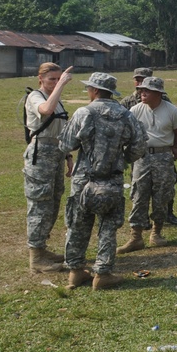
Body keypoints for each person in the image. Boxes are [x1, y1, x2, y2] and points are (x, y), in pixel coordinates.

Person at [60, 73, 146, 289]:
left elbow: (66, 144)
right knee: (108, 226)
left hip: (83, 181)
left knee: (77, 225)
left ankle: (75, 271)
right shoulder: (126, 116)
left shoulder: (83, 112)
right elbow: (139, 145)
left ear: (95, 90)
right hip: (112, 180)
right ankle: (103, 274)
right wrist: (122, 158)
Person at [118, 77, 177, 253]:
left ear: (158, 93)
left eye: (146, 90)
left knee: (162, 195)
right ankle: (136, 237)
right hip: (141, 157)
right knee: (138, 195)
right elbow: (128, 133)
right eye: (141, 90)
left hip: (163, 157)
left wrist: (173, 147)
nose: (142, 93)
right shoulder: (135, 110)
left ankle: (156, 233)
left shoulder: (172, 110)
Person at [23, 63, 74, 272]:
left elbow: (62, 128)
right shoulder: (36, 96)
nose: (54, 82)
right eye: (51, 79)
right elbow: (46, 110)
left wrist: (68, 157)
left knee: (53, 202)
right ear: (40, 78)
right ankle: (35, 257)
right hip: (41, 154)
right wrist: (61, 84)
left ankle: (42, 249)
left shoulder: (56, 98)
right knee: (39, 204)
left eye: (57, 78)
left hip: (57, 152)